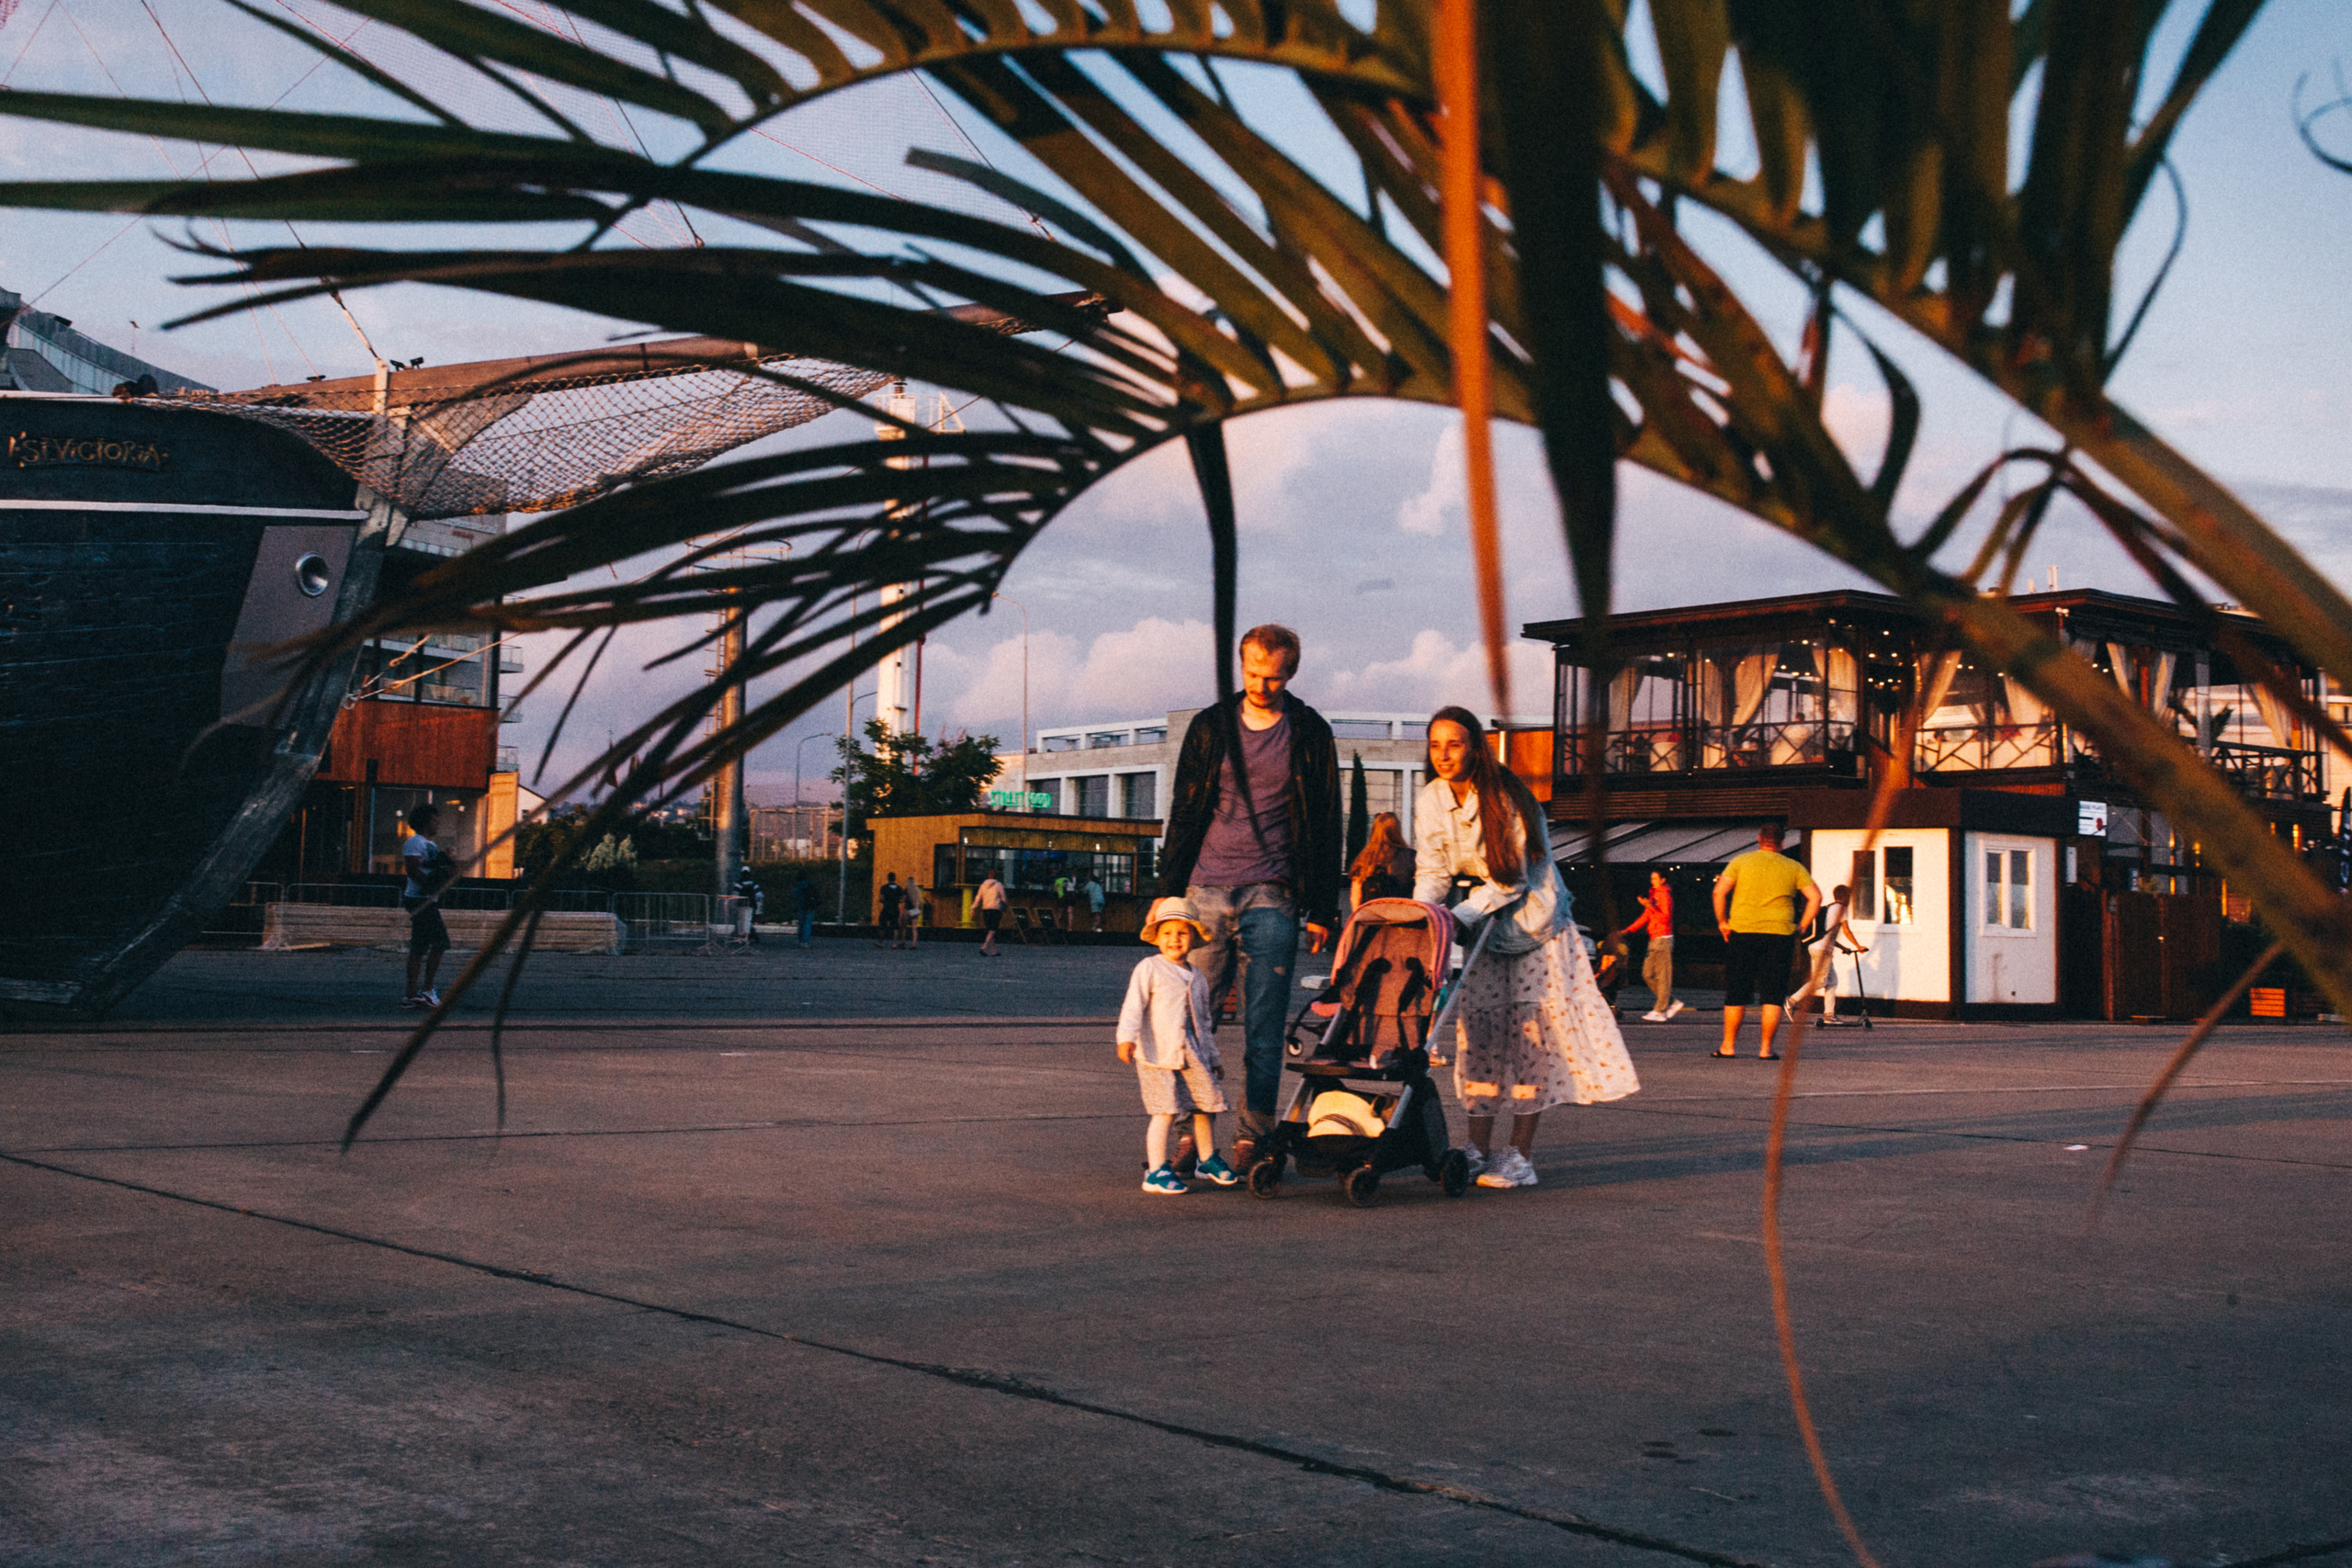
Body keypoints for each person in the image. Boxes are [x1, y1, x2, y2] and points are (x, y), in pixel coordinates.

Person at [1413, 707, 1638, 1189]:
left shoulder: (1506, 796)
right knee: (1479, 1037)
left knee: (1531, 1040)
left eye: (1454, 744)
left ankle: (1519, 1155)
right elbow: (1432, 869)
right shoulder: (1431, 797)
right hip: (1481, 928)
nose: (1444, 755)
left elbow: (1509, 879)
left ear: (1475, 746)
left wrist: (1457, 917)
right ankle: (1476, 1148)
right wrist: (1422, 917)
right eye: (1436, 745)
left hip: (1533, 926)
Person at [1159, 623, 1341, 1167]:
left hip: (1274, 892)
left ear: (1291, 672)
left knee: (1264, 1028)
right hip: (1205, 890)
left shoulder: (1309, 731)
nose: (1261, 686)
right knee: (1196, 1024)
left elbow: (1328, 819)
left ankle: (1252, 1135)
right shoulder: (1211, 726)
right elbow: (1186, 808)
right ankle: (1196, 1134)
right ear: (1242, 666)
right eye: (1253, 674)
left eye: (1274, 677)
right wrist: (1169, 893)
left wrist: (1322, 908)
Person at [1116, 897, 1240, 1194]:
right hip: (1157, 1053)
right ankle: (1156, 1171)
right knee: (1164, 1110)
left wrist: (1212, 1057)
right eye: (1167, 933)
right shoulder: (1149, 968)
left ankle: (1206, 1158)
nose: (1175, 939)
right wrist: (1126, 1038)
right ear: (1157, 937)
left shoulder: (1197, 975)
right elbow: (1133, 1006)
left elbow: (1203, 1020)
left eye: (1182, 933)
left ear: (1194, 939)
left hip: (1192, 1054)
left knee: (1204, 1104)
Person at [1712, 824, 1821, 1060]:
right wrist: (1801, 926)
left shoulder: (1741, 861)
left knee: (1736, 991)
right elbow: (1815, 897)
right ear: (1782, 842)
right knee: (1773, 993)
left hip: (1742, 932)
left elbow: (1719, 892)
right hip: (1780, 934)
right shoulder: (1793, 866)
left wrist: (1722, 921)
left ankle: (1728, 1046)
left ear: (1759, 839)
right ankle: (1765, 1049)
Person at [401, 803, 456, 1009]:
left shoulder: (431, 846)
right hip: (419, 899)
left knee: (419, 947)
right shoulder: (415, 842)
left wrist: (448, 861)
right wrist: (430, 887)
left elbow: (448, 872)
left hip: (427, 898)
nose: (438, 823)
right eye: (434, 820)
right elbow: (413, 870)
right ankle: (427, 990)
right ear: (425, 822)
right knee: (441, 942)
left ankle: (410, 994)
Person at [1791, 883, 1869, 1023]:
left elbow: (1827, 934)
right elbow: (1846, 930)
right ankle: (1791, 1000)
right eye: (1849, 896)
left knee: (1832, 981)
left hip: (1815, 947)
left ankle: (1829, 1015)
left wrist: (1843, 948)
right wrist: (1858, 946)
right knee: (1820, 981)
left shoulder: (1829, 908)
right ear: (1845, 897)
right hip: (1823, 950)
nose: (1851, 899)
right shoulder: (1842, 909)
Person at [1621, 871, 1682, 1021]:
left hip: (1663, 939)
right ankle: (1670, 1002)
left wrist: (1650, 906)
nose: (1652, 881)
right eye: (1651, 878)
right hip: (1653, 939)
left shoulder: (1664, 896)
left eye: (1655, 878)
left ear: (1663, 879)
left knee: (1663, 976)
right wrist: (1629, 930)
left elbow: (1665, 919)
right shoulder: (1654, 895)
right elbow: (1646, 916)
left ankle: (1660, 1010)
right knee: (1647, 974)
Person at [1348, 811, 1415, 910]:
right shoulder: (1410, 856)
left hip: (1372, 917)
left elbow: (1355, 897)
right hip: (1402, 915)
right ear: (1397, 831)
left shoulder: (1364, 858)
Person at [975, 870, 1009, 956]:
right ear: (996, 876)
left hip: (985, 909)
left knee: (990, 930)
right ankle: (984, 946)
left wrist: (973, 908)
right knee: (993, 929)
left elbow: (978, 897)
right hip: (995, 908)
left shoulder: (983, 885)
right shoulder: (999, 885)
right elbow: (1003, 897)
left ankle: (993, 951)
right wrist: (1005, 904)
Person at [732, 868, 763, 944]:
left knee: (740, 920)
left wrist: (733, 904)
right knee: (748, 920)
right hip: (750, 904)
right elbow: (759, 895)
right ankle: (746, 936)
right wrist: (759, 908)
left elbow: (735, 894)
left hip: (740, 904)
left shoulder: (738, 883)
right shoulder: (754, 883)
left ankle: (740, 936)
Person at [877, 872, 907, 950]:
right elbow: (902, 899)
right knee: (895, 926)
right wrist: (897, 901)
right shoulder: (899, 888)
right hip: (895, 908)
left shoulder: (884, 888)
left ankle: (880, 942)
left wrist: (885, 901)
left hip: (886, 908)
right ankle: (894, 943)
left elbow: (881, 898)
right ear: (895, 878)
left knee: (882, 925)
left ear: (888, 878)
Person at [794, 873, 817, 948]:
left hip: (802, 906)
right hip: (810, 906)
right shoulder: (811, 884)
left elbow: (794, 895)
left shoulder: (798, 885)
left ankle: (800, 940)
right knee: (808, 924)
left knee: (801, 924)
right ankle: (805, 941)